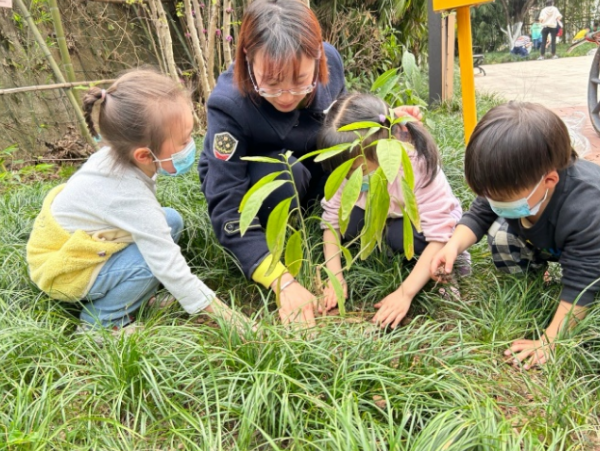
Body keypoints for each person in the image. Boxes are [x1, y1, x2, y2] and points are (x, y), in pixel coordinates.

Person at [198, 0, 421, 327]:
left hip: (314, 171)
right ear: (248, 60)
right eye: (272, 83)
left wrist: (382, 123)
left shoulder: (329, 60)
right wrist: (282, 281)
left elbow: (343, 119)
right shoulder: (229, 105)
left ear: (317, 58)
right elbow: (227, 205)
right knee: (279, 175)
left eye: (301, 80)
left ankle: (317, 215)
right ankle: (283, 229)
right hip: (266, 184)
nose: (287, 95)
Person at [26, 69, 252, 335]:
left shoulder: (120, 159)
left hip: (82, 246)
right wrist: (233, 320)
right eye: (183, 140)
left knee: (170, 221)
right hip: (64, 270)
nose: (192, 144)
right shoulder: (125, 191)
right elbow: (169, 267)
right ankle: (101, 325)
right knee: (150, 261)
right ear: (144, 155)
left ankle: (137, 299)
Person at [430, 102, 600, 370]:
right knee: (500, 234)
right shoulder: (513, 181)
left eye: (502, 198)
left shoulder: (587, 210)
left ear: (549, 181)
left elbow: (583, 281)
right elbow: (479, 215)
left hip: (592, 254)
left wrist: (550, 340)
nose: (493, 202)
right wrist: (452, 247)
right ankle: (530, 282)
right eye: (490, 195)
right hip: (550, 240)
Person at [318, 93, 469, 329]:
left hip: (422, 227)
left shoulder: (417, 165)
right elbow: (332, 222)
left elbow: (439, 233)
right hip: (381, 217)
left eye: (360, 170)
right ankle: (389, 250)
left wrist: (404, 294)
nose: (352, 178)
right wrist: (335, 277)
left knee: (408, 238)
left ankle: (447, 267)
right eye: (346, 172)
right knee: (351, 222)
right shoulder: (350, 164)